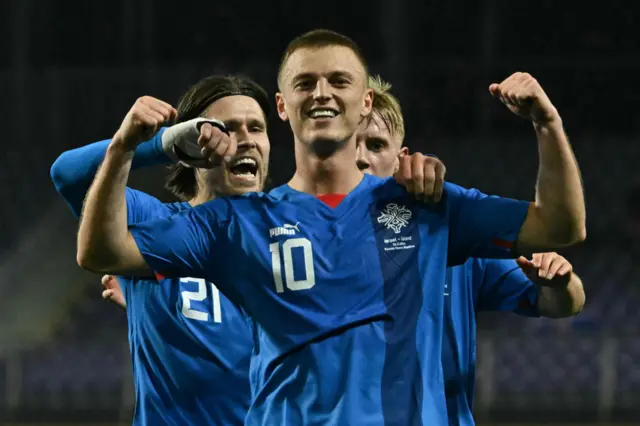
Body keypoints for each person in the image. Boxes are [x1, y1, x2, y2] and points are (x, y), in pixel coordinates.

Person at [75, 29, 586, 425]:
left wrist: (548, 124)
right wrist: (125, 146)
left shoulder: (426, 207)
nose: (322, 93)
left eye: (339, 81)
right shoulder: (235, 223)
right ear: (283, 106)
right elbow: (101, 252)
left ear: (365, 102)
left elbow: (560, 227)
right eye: (305, 83)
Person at [358, 75, 586, 425]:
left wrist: (558, 282)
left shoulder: (443, 228)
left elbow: (561, 301)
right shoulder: (303, 235)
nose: (361, 159)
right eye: (348, 145)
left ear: (401, 159)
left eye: (376, 145)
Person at [51, 74, 271, 425]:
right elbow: (67, 174)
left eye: (256, 128)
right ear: (194, 148)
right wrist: (159, 143)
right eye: (226, 129)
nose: (244, 140)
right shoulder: (155, 223)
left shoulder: (288, 235)